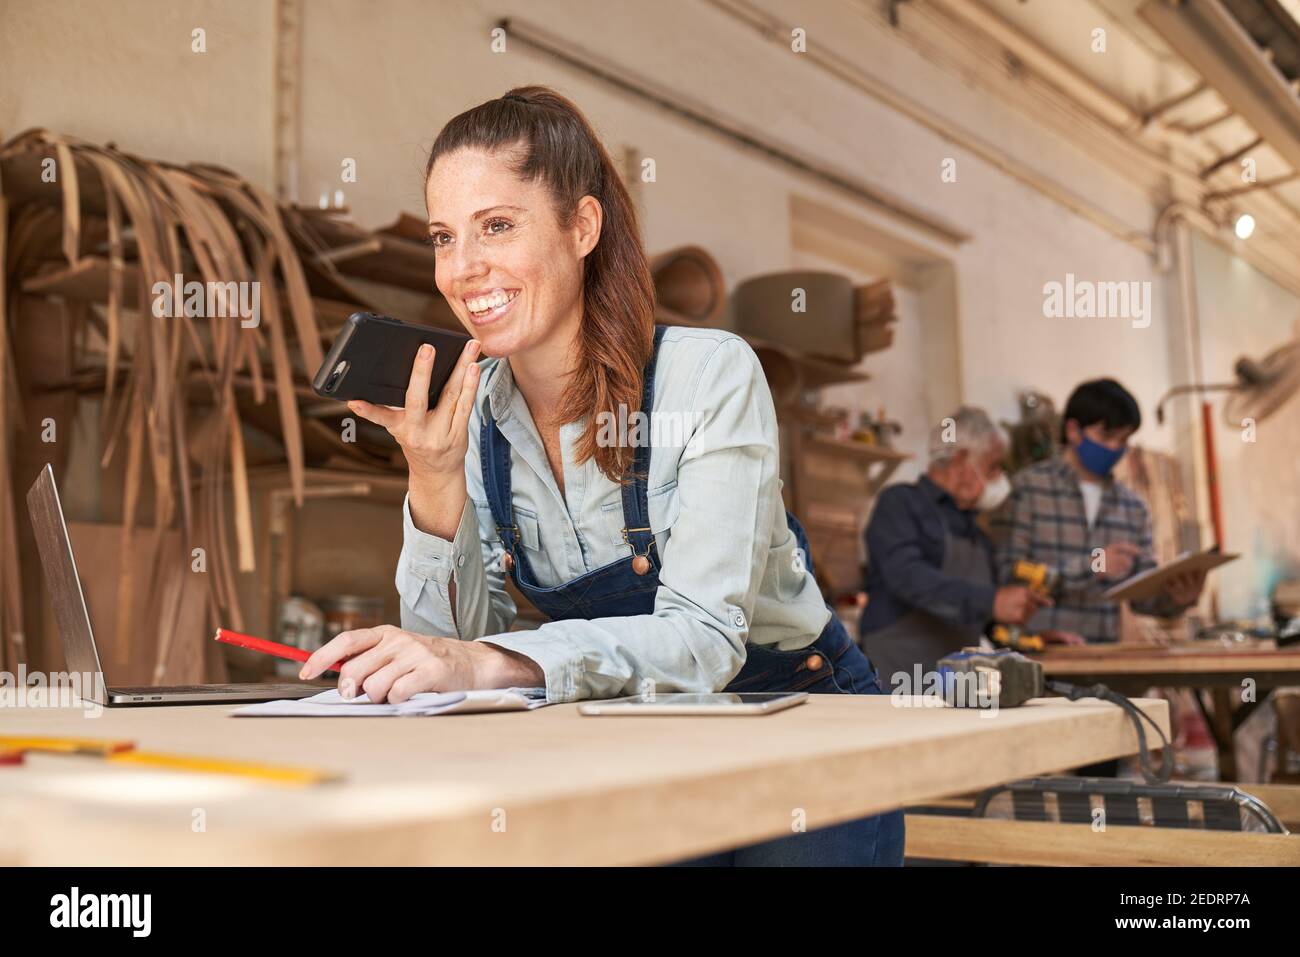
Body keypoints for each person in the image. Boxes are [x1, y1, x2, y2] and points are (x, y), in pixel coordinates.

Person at [300, 86, 903, 866]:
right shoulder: (480, 411)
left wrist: (496, 659)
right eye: (445, 237)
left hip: (797, 730)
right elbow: (451, 658)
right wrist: (435, 474)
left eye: (498, 226)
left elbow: (705, 640)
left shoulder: (708, 376)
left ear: (582, 227)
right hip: (631, 740)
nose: (463, 268)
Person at [992, 378, 1206, 646]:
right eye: (1105, 436)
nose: (1115, 448)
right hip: (1035, 657)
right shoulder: (1027, 490)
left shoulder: (1133, 508)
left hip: (1102, 662)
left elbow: (1144, 599)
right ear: (1073, 430)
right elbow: (1006, 575)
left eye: (1124, 439)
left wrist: (1177, 598)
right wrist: (1093, 565)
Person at [859, 407, 1050, 688]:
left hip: (956, 688)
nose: (999, 478)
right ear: (961, 461)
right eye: (994, 466)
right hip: (897, 680)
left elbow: (982, 620)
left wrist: (1028, 634)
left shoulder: (978, 534)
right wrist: (992, 601)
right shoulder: (900, 504)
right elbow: (907, 576)